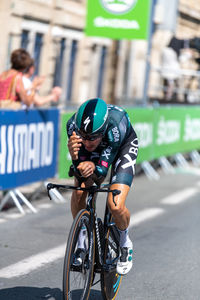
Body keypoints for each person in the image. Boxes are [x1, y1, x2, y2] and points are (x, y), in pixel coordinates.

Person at [66, 98, 139, 275]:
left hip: (122, 146)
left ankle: (124, 242)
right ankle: (82, 240)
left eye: (92, 137)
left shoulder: (115, 127)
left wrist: (94, 168)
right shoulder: (72, 127)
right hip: (102, 144)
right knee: (79, 192)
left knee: (116, 205)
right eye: (83, 136)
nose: (87, 141)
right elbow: (78, 169)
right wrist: (76, 159)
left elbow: (100, 173)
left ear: (103, 129)